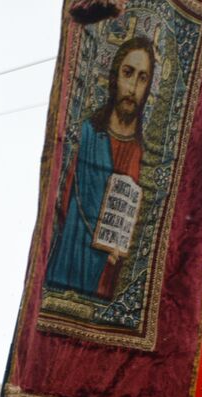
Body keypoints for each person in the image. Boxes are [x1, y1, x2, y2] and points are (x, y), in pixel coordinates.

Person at [46, 35, 155, 299]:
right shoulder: (86, 136)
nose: (132, 87)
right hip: (69, 261)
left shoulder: (145, 155)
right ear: (114, 77)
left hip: (110, 277)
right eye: (128, 73)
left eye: (142, 78)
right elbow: (58, 204)